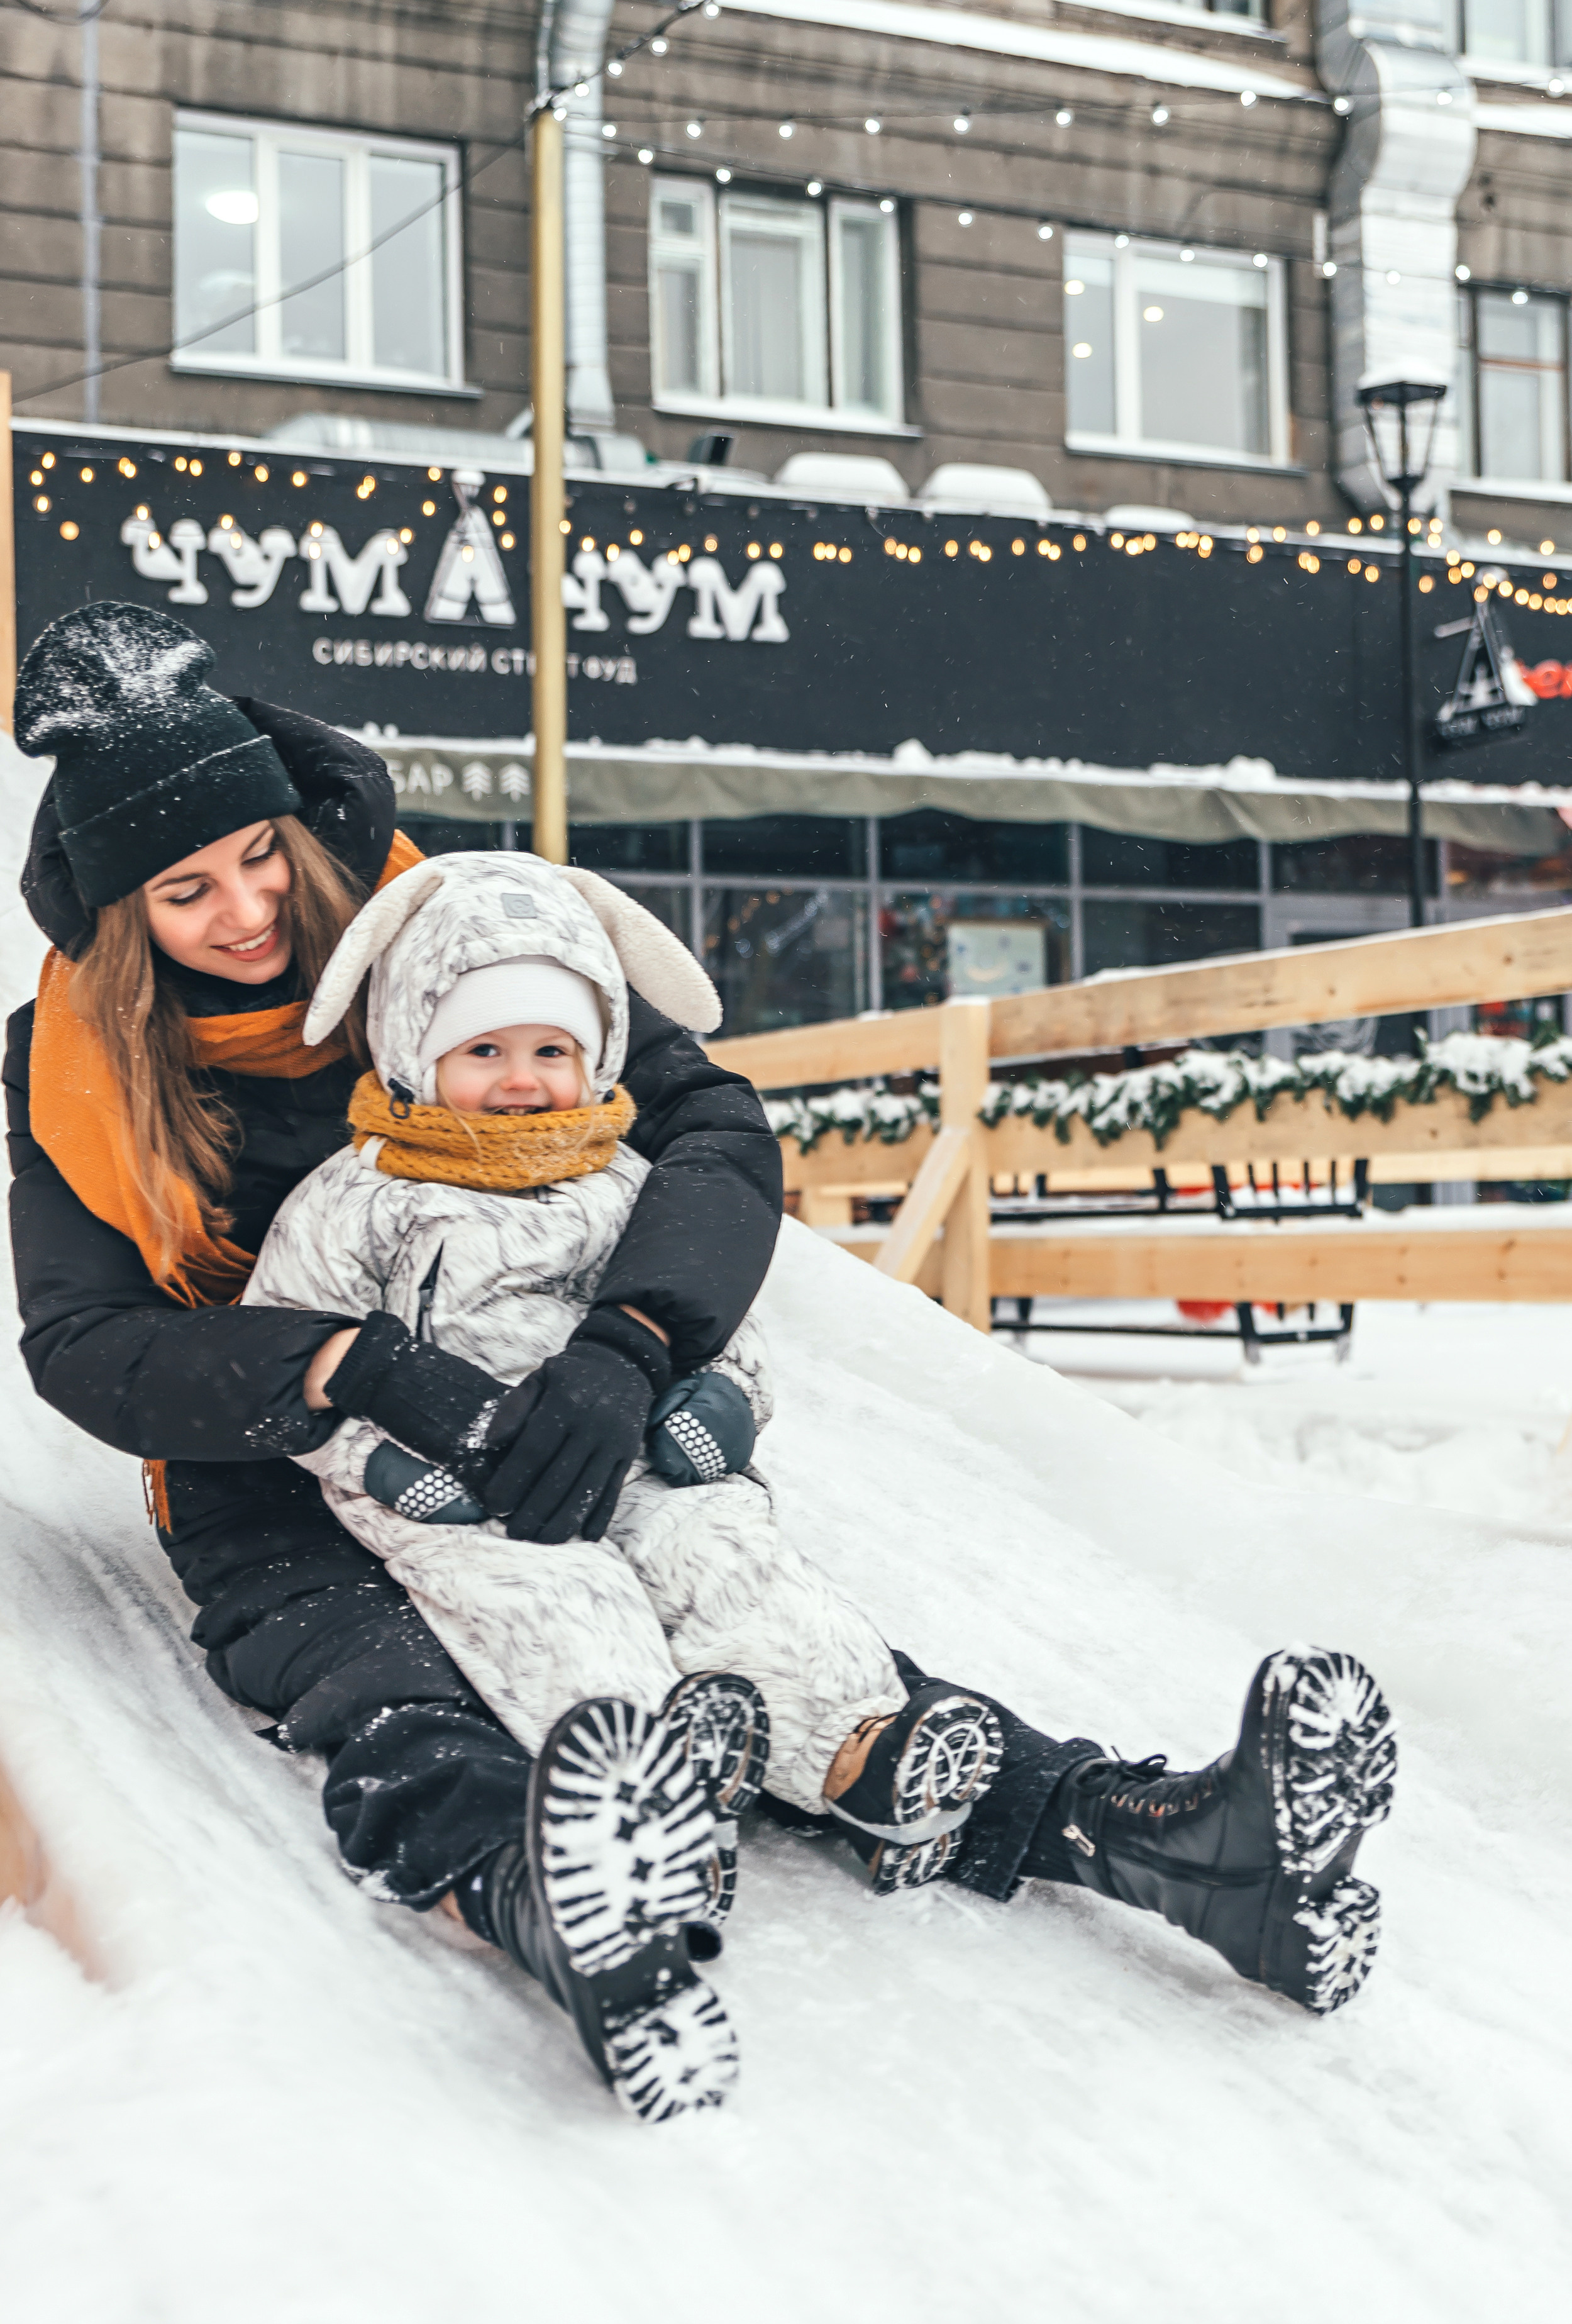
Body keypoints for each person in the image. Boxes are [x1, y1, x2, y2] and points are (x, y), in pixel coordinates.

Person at [6, 601, 1398, 2128]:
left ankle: (1169, 1841)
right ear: (123, 911)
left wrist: (637, 1340)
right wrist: (354, 1364)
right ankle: (553, 1894)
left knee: (770, 1628)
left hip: (560, 1381)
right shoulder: (72, 1066)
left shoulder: (457, 937)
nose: (247, 908)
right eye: (188, 890)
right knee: (386, 1680)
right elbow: (83, 1341)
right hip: (279, 1449)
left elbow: (708, 1127)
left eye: (259, 855)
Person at [241, 848, 1007, 2110]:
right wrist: (381, 1461)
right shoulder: (361, 1200)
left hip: (634, 1457)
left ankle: (863, 1755)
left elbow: (719, 1330)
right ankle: (646, 1813)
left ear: (597, 1056)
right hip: (469, 1489)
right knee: (561, 1607)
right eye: (482, 1050)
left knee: (731, 1564)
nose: (520, 1078)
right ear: (413, 1050)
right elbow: (296, 1358)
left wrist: (718, 1406)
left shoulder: (624, 1183)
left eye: (551, 1049)